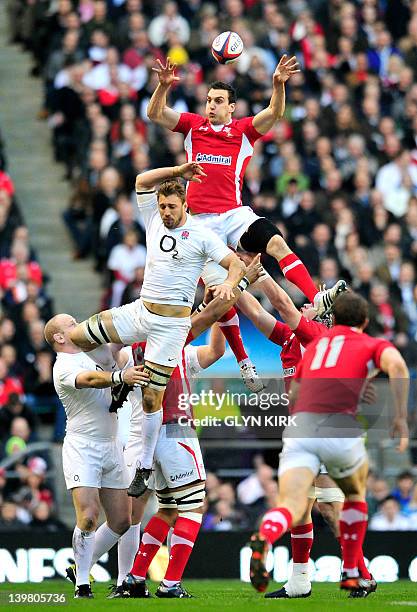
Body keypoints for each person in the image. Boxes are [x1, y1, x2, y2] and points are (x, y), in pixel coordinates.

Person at [147, 57, 346, 385]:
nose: (211, 106)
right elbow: (155, 113)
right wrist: (164, 86)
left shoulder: (242, 131)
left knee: (276, 242)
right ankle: (243, 361)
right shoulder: (192, 126)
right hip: (200, 223)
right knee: (221, 292)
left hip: (233, 213)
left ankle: (315, 298)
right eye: (209, 100)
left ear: (232, 108)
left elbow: (274, 113)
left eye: (219, 101)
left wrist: (278, 85)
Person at [69, 161, 245, 498]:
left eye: (171, 206)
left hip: (170, 327)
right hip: (140, 311)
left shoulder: (202, 235)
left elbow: (234, 263)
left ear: (184, 206)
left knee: (153, 397)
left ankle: (144, 467)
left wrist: (231, 284)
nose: (165, 212)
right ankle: (115, 379)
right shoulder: (152, 219)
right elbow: (141, 180)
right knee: (78, 335)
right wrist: (179, 169)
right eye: (162, 206)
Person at [106, 255, 263, 598]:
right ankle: (171, 582)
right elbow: (206, 315)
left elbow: (213, 346)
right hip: (176, 429)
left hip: (150, 435)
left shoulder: (132, 351)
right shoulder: (171, 338)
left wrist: (217, 309)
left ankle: (133, 577)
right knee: (194, 507)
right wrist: (239, 282)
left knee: (167, 508)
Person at [249, 292, 409, 598]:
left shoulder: (316, 344)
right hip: (336, 429)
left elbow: (296, 394)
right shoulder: (366, 343)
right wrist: (398, 416)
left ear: (330, 318)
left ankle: (268, 536)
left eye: (310, 305)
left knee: (300, 506)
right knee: (345, 500)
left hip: (300, 430)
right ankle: (350, 573)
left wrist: (233, 273)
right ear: (364, 321)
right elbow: (397, 367)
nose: (305, 308)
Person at [44, 313, 149, 598]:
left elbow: (116, 342)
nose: (77, 325)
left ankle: (80, 567)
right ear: (59, 337)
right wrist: (119, 376)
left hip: (112, 444)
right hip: (83, 446)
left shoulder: (94, 351)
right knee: (88, 516)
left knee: (121, 521)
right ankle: (82, 583)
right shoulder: (63, 366)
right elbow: (90, 379)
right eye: (70, 324)